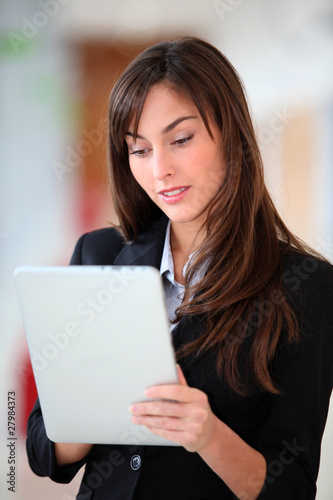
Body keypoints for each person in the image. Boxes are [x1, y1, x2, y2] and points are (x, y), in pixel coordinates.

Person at [26, 36, 333, 500]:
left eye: (181, 139)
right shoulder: (99, 255)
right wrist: (94, 401)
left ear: (231, 136)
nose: (160, 170)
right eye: (140, 149)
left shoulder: (304, 286)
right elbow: (41, 449)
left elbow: (290, 487)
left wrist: (208, 436)